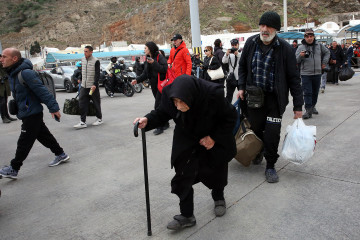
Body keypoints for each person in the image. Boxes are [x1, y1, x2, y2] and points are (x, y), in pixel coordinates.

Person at [133, 75, 236, 230]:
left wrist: (214, 138)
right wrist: (148, 120)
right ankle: (187, 215)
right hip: (186, 136)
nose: (178, 106)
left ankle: (219, 197)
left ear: (191, 97)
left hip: (211, 134)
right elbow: (162, 112)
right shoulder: (170, 94)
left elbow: (231, 117)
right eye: (176, 102)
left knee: (217, 168)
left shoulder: (212, 95)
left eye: (182, 102)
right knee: (183, 173)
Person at [237, 11, 303, 183]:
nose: (264, 29)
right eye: (262, 25)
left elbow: (294, 78)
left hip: (275, 99)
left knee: (272, 133)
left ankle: (271, 165)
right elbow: (242, 67)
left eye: (269, 26)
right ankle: (257, 151)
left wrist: (298, 106)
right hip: (254, 98)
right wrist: (241, 87)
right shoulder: (251, 43)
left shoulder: (285, 49)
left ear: (276, 29)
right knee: (256, 129)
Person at [0, 48, 69, 179]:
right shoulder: (13, 73)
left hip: (32, 112)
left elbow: (42, 91)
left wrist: (53, 108)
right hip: (27, 111)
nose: (1, 59)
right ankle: (60, 154)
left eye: (4, 56)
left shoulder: (25, 73)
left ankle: (14, 168)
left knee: (24, 142)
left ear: (14, 58)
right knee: (43, 136)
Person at [131, 41, 168, 135]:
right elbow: (146, 73)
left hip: (161, 85)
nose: (144, 50)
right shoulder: (147, 59)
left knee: (157, 106)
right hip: (154, 85)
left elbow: (164, 69)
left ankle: (159, 127)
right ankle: (165, 122)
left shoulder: (159, 56)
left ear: (150, 48)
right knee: (161, 104)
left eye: (145, 48)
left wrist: (154, 63)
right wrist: (137, 80)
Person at [295, 28, 330, 119]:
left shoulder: (319, 45)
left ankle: (312, 106)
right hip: (306, 73)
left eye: (311, 36)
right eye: (307, 36)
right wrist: (301, 56)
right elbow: (295, 60)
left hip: (317, 73)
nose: (309, 38)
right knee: (307, 92)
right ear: (305, 37)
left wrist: (324, 63)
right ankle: (308, 110)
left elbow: (327, 52)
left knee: (315, 92)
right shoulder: (300, 47)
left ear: (313, 36)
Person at [73, 46, 102, 129]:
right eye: (84, 51)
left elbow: (97, 74)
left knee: (96, 102)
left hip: (92, 86)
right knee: (82, 103)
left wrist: (95, 84)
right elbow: (83, 71)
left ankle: (99, 118)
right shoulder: (82, 59)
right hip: (83, 86)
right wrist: (80, 79)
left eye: (86, 51)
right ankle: (83, 122)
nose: (84, 53)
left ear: (91, 52)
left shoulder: (96, 61)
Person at [222, 38, 242, 103]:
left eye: (235, 45)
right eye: (232, 45)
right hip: (231, 77)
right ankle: (228, 111)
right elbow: (224, 61)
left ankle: (243, 112)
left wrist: (237, 54)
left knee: (242, 96)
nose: (233, 46)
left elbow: (244, 61)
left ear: (238, 45)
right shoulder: (229, 54)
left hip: (240, 78)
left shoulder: (241, 53)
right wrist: (226, 54)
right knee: (229, 96)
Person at [0, 59, 17, 123]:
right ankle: (4, 117)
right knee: (2, 102)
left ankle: (7, 116)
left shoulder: (3, 67)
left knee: (5, 101)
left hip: (4, 86)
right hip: (1, 87)